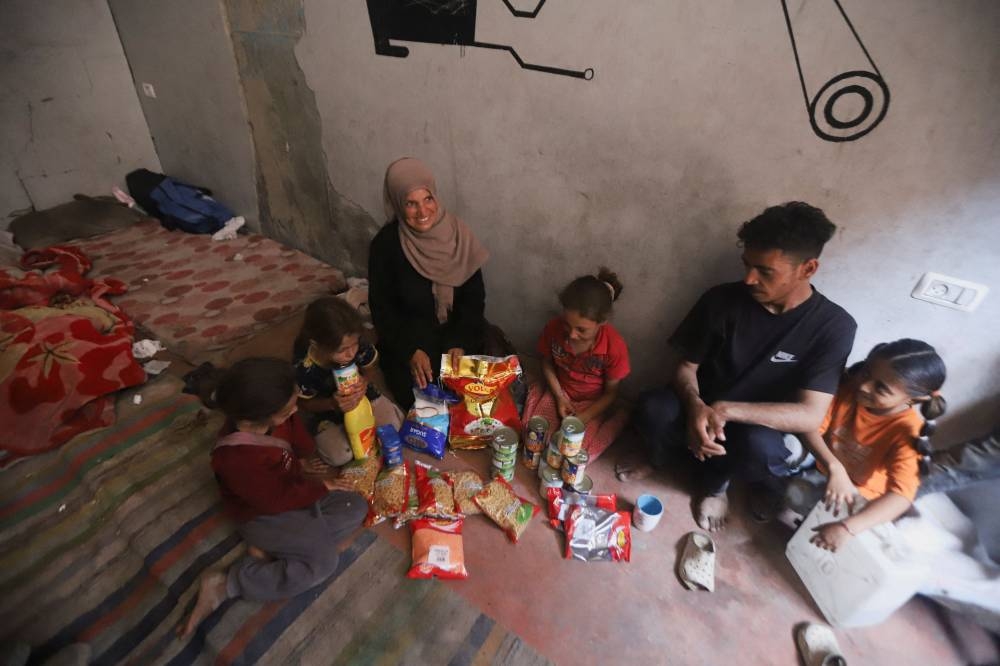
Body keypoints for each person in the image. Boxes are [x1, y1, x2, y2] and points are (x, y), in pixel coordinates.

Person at [618, 201, 857, 532]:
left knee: (762, 448)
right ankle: (659, 458)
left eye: (765, 271)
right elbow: (686, 367)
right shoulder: (721, 300)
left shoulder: (833, 327)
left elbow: (809, 415)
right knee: (652, 407)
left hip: (749, 425)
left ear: (808, 269)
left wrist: (726, 411)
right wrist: (697, 406)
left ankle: (717, 486)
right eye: (747, 265)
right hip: (699, 407)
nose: (749, 278)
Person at [177, 358, 366, 637]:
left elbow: (296, 438)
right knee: (323, 564)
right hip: (264, 513)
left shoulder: (278, 417)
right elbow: (275, 500)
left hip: (291, 492)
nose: (296, 408)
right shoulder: (235, 459)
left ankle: (284, 548)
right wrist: (322, 487)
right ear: (263, 415)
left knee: (355, 504)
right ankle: (230, 582)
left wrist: (304, 462)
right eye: (289, 407)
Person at [787, 339, 947, 551]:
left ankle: (802, 505)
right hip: (825, 462)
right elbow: (810, 426)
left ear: (912, 400)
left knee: (806, 499)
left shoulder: (908, 433)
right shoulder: (849, 390)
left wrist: (847, 528)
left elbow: (901, 496)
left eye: (881, 388)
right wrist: (835, 468)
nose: (863, 386)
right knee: (787, 446)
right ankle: (780, 491)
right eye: (866, 373)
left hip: (853, 490)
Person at [368, 157, 489, 409]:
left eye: (427, 199)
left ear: (435, 196)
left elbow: (474, 297)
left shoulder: (458, 234)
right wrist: (411, 350)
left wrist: (460, 342)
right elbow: (382, 309)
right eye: (411, 204)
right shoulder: (386, 246)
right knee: (423, 402)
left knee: (487, 384)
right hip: (412, 337)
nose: (422, 212)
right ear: (397, 204)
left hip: (457, 331)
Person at [524, 268, 630, 461]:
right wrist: (559, 397)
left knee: (576, 456)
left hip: (592, 403)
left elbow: (611, 393)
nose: (572, 335)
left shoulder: (614, 346)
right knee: (533, 437)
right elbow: (546, 364)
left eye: (582, 329)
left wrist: (586, 416)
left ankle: (619, 419)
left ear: (602, 322)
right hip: (560, 392)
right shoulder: (554, 328)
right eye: (567, 324)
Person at [293, 296, 404, 466]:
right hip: (327, 410)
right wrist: (332, 404)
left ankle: (386, 413)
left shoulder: (356, 341)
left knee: (392, 430)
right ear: (316, 345)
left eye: (354, 345)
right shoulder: (305, 366)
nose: (351, 353)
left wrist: (365, 382)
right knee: (340, 456)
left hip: (363, 396)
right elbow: (304, 403)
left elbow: (370, 367)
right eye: (342, 350)